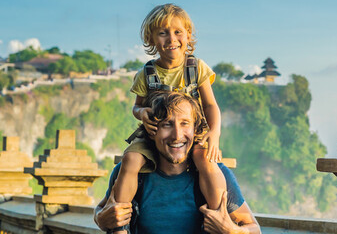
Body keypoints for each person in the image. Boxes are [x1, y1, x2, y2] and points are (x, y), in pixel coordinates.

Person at [109, 3, 228, 234]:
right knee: (131, 159)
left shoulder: (197, 68)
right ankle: (120, 226)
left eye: (177, 32)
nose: (171, 39)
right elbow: (137, 107)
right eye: (162, 33)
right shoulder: (146, 73)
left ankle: (219, 216)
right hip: (153, 134)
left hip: (192, 135)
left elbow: (211, 105)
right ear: (151, 39)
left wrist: (214, 134)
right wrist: (142, 113)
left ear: (188, 35)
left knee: (205, 160)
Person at [94, 91, 260, 233]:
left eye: (185, 124)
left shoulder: (216, 174)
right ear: (152, 131)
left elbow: (254, 227)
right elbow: (102, 209)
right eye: (167, 124)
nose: (177, 135)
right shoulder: (134, 174)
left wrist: (231, 231)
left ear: (195, 130)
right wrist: (101, 219)